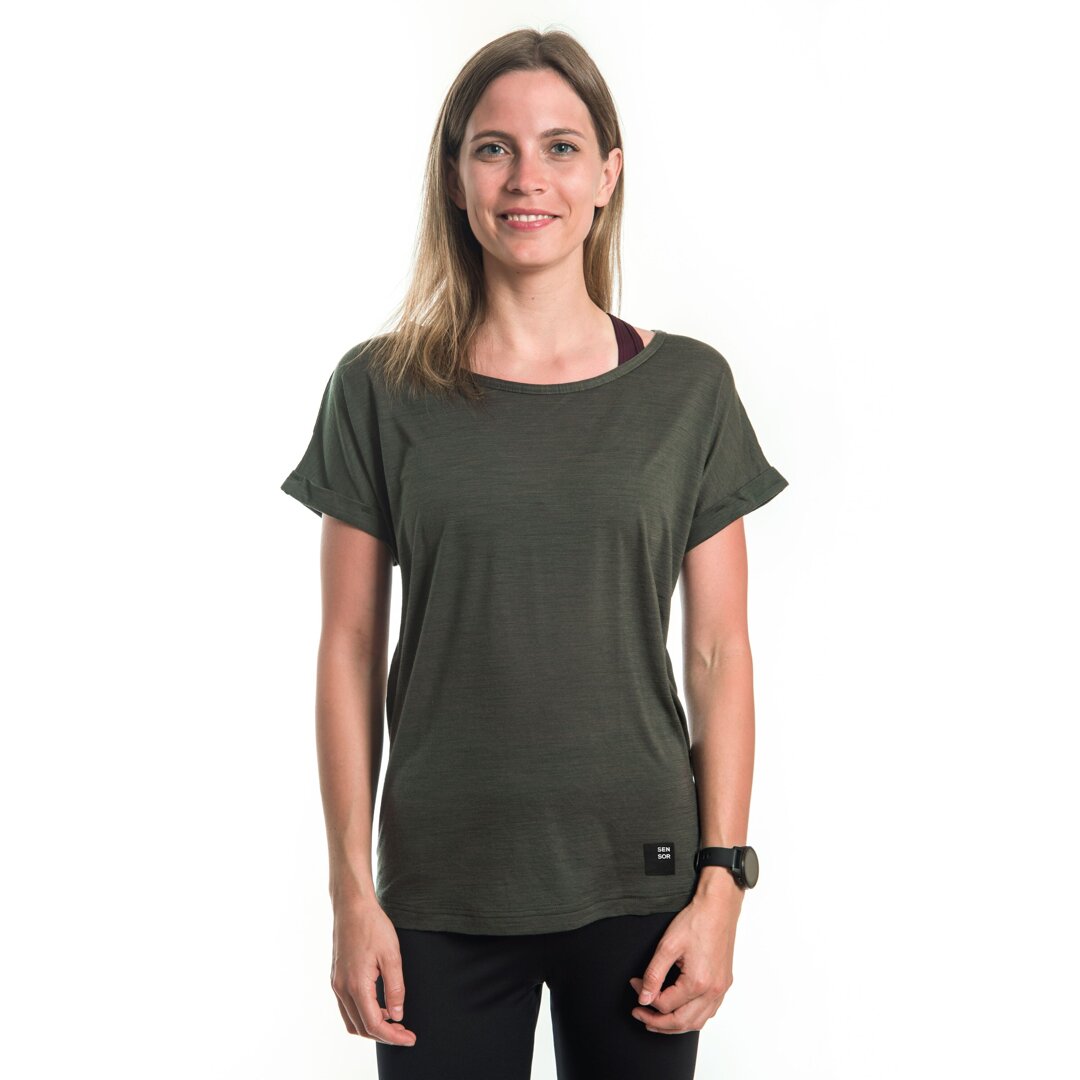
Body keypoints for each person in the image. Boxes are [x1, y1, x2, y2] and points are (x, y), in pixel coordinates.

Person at [280, 27, 789, 1080]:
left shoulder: (687, 390)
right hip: (438, 893)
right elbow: (348, 647)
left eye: (561, 147)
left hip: (644, 886)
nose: (527, 178)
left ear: (607, 174)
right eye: (493, 148)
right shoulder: (377, 390)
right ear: (454, 176)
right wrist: (350, 893)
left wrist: (720, 886)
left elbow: (718, 654)